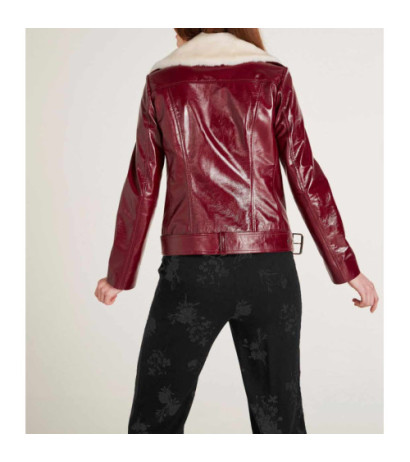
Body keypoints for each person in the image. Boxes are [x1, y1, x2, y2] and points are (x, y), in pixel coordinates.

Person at [94, 28, 379, 434]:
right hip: (269, 274)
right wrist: (347, 266)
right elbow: (304, 173)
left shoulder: (162, 83)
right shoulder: (272, 77)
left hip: (191, 276)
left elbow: (143, 182)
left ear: (184, 28)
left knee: (153, 422)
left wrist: (119, 274)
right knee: (280, 423)